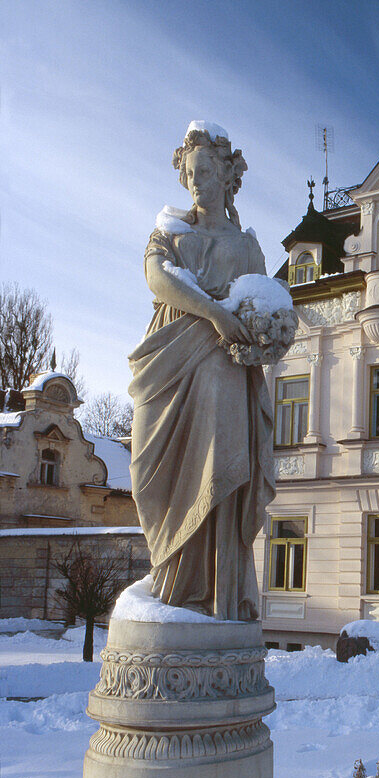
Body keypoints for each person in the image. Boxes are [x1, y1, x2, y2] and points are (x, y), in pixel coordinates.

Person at [129, 122, 275, 620]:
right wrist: (213, 312)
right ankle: (170, 580)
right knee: (150, 473)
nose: (195, 181)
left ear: (227, 175)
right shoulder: (170, 231)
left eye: (205, 171)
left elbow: (265, 309)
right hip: (169, 357)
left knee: (219, 463)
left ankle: (213, 591)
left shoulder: (247, 247)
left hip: (220, 364)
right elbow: (157, 277)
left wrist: (261, 339)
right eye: (189, 172)